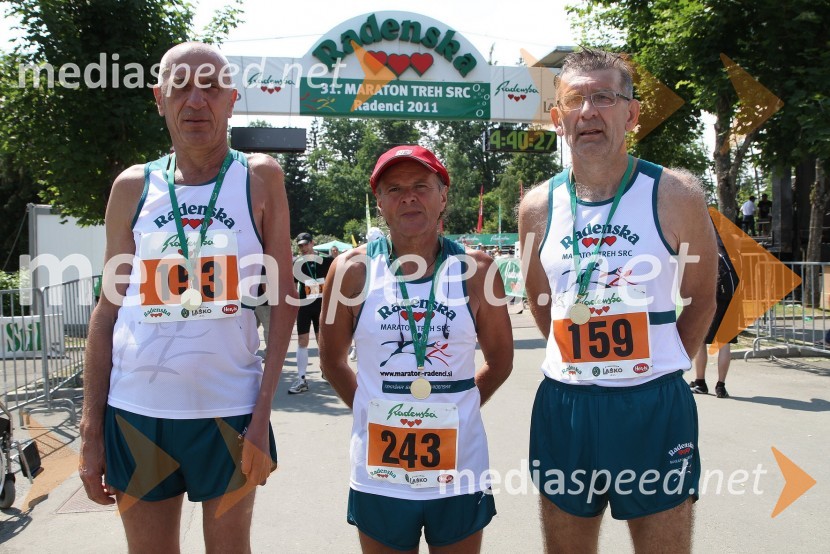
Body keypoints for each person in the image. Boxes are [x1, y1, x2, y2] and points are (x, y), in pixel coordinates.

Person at [78, 42, 298, 552]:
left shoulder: (260, 177)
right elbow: (107, 311)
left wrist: (263, 415)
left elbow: (284, 298)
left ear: (232, 100)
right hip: (137, 409)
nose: (195, 100)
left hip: (230, 410)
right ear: (159, 98)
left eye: (211, 86)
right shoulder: (133, 187)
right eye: (180, 86)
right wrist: (91, 430)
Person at [518, 48, 717, 553]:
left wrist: (659, 365)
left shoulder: (676, 194)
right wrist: (581, 356)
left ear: (630, 113)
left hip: (652, 406)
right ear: (558, 118)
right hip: (565, 405)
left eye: (603, 97)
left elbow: (702, 298)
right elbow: (539, 298)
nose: (588, 111)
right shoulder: (537, 206)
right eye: (574, 100)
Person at [319, 145, 513, 553]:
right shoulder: (351, 271)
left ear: (443, 196)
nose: (408, 197)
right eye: (394, 189)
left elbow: (500, 361)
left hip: (458, 467)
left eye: (421, 186)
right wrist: (373, 411)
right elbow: (332, 360)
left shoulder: (477, 271)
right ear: (380, 202)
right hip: (380, 471)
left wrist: (458, 407)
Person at [691, 222, 741, 398]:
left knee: (702, 341)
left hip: (714, 301)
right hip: (733, 301)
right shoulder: (735, 254)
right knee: (724, 344)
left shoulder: (712, 253)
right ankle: (721, 386)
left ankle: (700, 382)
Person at [289, 232, 333, 394]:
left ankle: (326, 371)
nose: (303, 248)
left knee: (323, 340)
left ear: (312, 243)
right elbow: (293, 285)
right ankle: (301, 379)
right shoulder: (296, 263)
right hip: (305, 306)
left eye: (306, 244)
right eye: (300, 245)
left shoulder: (326, 260)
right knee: (302, 340)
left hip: (322, 305)